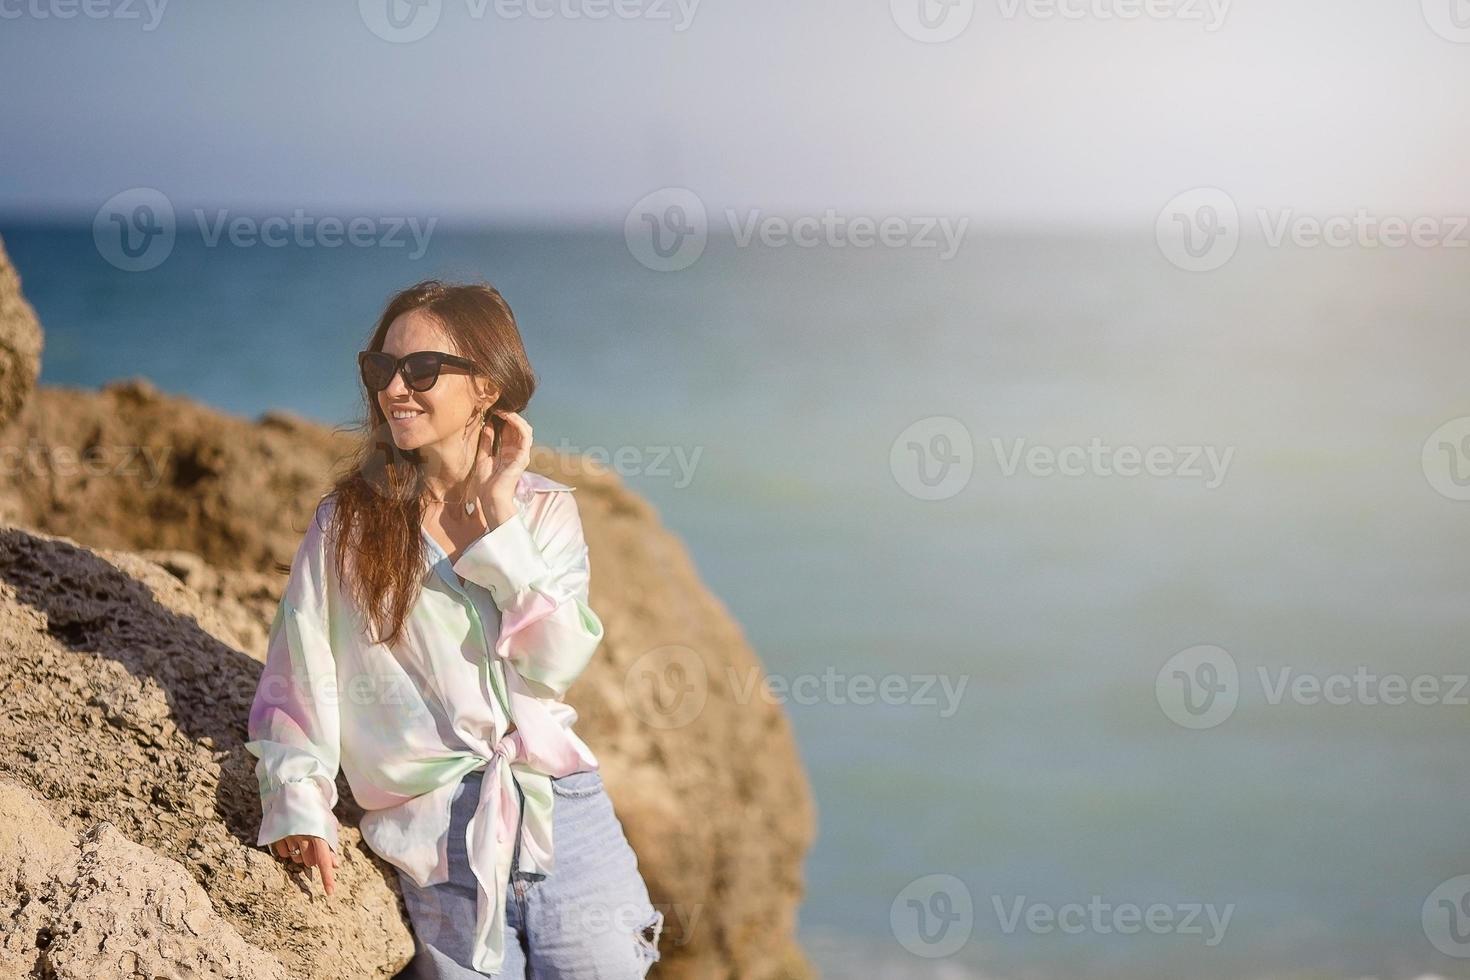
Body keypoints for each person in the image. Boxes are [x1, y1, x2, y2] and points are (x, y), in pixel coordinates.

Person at [244, 279, 664, 978]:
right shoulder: (346, 526)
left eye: (422, 371)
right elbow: (299, 673)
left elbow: (554, 661)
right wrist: (298, 803)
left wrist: (498, 519)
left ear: (487, 388)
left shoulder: (543, 512)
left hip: (560, 814)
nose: (395, 390)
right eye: (381, 369)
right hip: (433, 838)